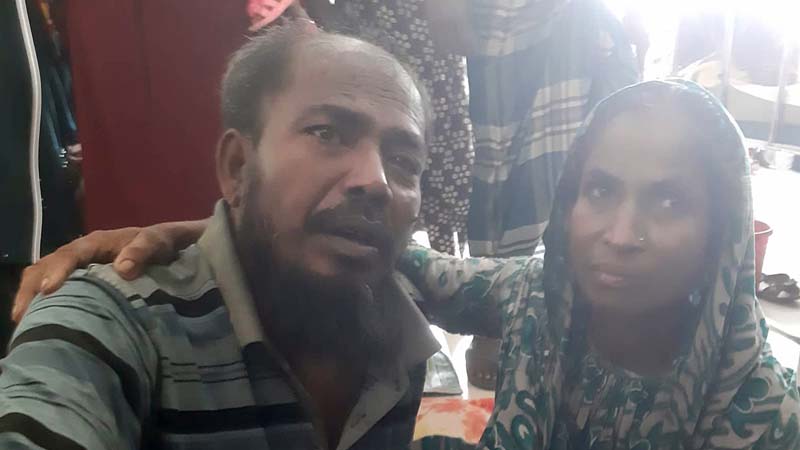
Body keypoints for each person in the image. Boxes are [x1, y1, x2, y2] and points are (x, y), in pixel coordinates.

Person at [18, 80, 800, 449]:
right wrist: (226, 225)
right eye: (600, 191)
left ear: (725, 234)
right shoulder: (542, 299)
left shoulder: (763, 413)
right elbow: (399, 259)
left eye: (668, 202)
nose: (621, 233)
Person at [0, 23, 445, 450]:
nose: (377, 182)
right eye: (326, 133)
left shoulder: (402, 317)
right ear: (237, 166)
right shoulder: (109, 319)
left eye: (404, 162)